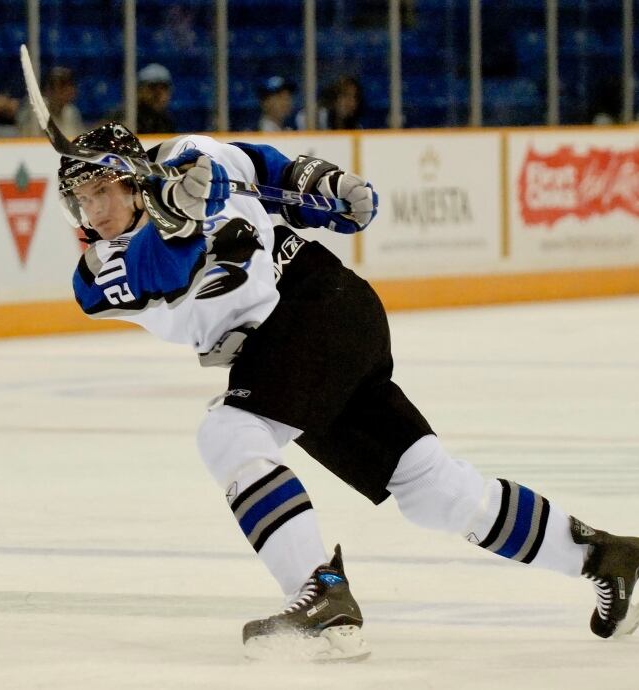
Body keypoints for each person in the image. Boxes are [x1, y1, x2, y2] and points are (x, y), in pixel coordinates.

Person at [54, 121, 639, 661]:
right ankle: (603, 556)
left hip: (318, 303)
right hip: (305, 339)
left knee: (229, 432)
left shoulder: (191, 155)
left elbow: (264, 170)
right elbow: (166, 269)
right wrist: (177, 218)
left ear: (133, 178)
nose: (94, 209)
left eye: (102, 190)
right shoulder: (98, 274)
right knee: (433, 489)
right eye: (82, 198)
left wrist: (325, 186)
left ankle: (320, 594)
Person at [135, 63, 175, 134]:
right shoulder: (127, 118)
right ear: (139, 90)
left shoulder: (166, 121)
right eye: (152, 87)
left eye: (163, 88)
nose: (158, 94)